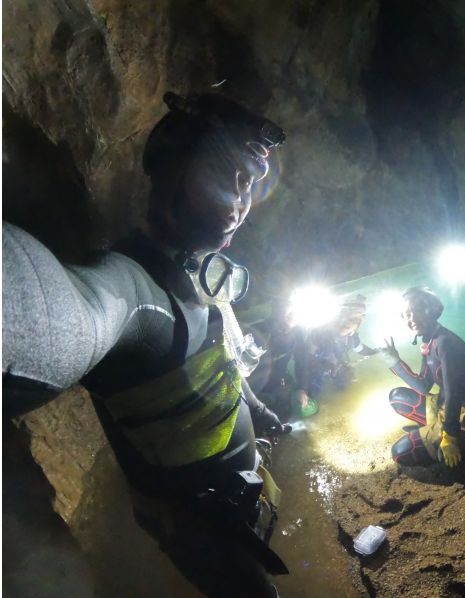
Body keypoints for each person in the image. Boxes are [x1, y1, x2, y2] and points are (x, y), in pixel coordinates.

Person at [3, 91, 290, 597]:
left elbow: (220, 361)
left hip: (238, 492)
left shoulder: (203, 272)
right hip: (197, 525)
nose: (241, 200)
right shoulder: (134, 291)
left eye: (250, 182)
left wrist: (259, 409)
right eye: (226, 173)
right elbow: (70, 311)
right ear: (176, 170)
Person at [380, 287, 465, 467]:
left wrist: (450, 436)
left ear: (431, 310)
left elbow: (455, 393)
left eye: (417, 310)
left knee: (399, 453)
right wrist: (395, 362)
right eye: (407, 314)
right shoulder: (429, 340)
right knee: (396, 397)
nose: (411, 319)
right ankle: (432, 430)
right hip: (444, 405)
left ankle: (452, 439)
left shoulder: (446, 342)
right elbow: (423, 386)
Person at [304, 294, 377, 402]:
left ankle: (340, 391)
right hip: (318, 368)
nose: (348, 321)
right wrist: (325, 365)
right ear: (337, 316)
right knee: (313, 390)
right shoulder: (319, 334)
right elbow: (306, 359)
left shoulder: (352, 338)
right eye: (346, 316)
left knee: (346, 385)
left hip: (336, 367)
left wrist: (376, 353)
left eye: (354, 320)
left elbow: (362, 349)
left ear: (357, 327)